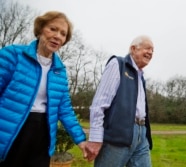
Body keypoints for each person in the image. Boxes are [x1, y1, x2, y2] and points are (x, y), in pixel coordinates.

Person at [0, 11, 87, 167]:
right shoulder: (13, 54)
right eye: (53, 29)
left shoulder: (60, 71)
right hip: (11, 131)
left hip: (42, 135)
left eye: (63, 34)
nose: (57, 36)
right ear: (40, 30)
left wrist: (81, 140)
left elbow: (65, 109)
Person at [85, 35, 154, 167]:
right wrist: (95, 138)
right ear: (133, 49)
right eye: (147, 48)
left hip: (141, 135)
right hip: (117, 135)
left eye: (153, 50)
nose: (150, 53)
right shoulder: (118, 64)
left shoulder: (141, 77)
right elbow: (99, 104)